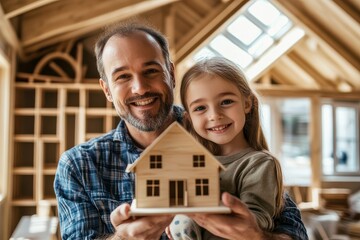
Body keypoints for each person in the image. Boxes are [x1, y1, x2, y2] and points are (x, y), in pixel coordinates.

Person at [54, 21, 308, 240]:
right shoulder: (79, 165)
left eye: (151, 71)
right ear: (107, 89)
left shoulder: (218, 135)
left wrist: (255, 236)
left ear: (171, 74)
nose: (140, 88)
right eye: (122, 77)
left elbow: (293, 231)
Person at [168, 57, 284, 240]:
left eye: (226, 102)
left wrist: (208, 205)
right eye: (200, 108)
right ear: (188, 118)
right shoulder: (188, 163)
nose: (215, 115)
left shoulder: (259, 164)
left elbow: (257, 222)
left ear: (247, 104)